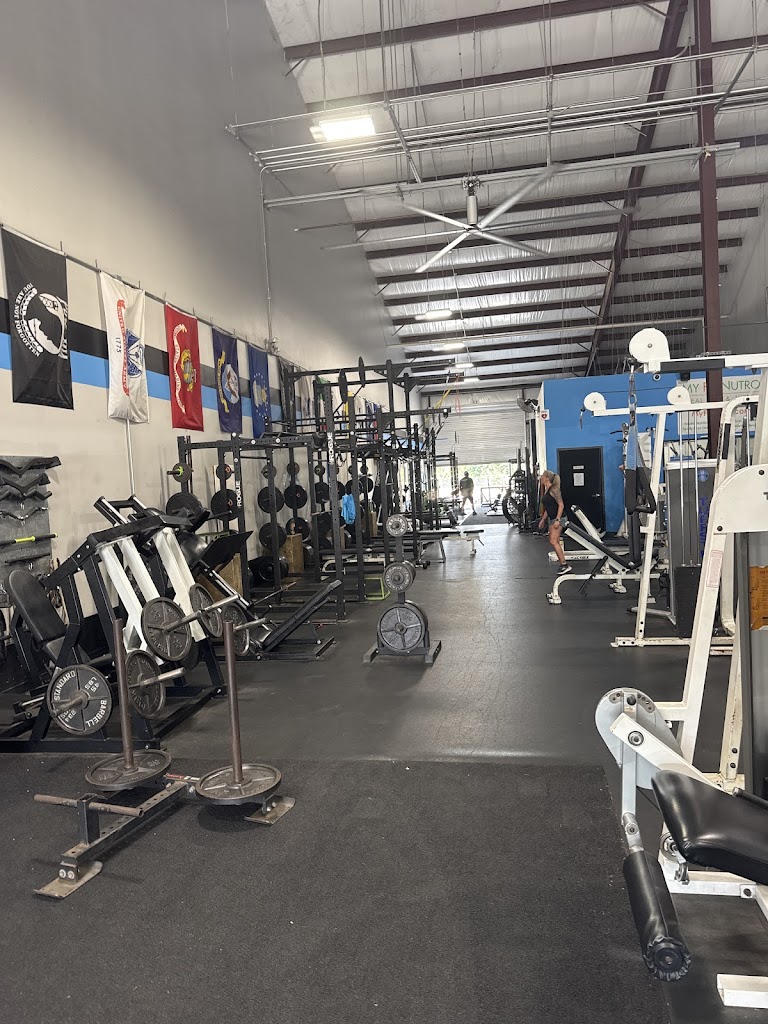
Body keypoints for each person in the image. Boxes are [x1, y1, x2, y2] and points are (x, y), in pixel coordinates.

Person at [538, 470, 571, 576]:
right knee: (554, 541)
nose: (541, 477)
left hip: (559, 518)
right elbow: (548, 508)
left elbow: (561, 505)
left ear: (547, 478)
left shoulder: (554, 489)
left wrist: (557, 520)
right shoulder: (547, 490)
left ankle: (564, 565)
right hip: (553, 518)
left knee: (553, 541)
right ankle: (563, 564)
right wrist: (543, 520)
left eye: (542, 476)